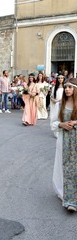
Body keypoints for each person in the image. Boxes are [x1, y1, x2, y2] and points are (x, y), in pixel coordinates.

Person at [51, 78, 77, 212]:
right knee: (66, 167)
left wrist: (75, 123)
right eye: (65, 87)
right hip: (64, 140)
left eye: (70, 87)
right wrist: (61, 124)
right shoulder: (59, 105)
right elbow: (53, 124)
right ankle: (69, 199)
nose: (67, 89)